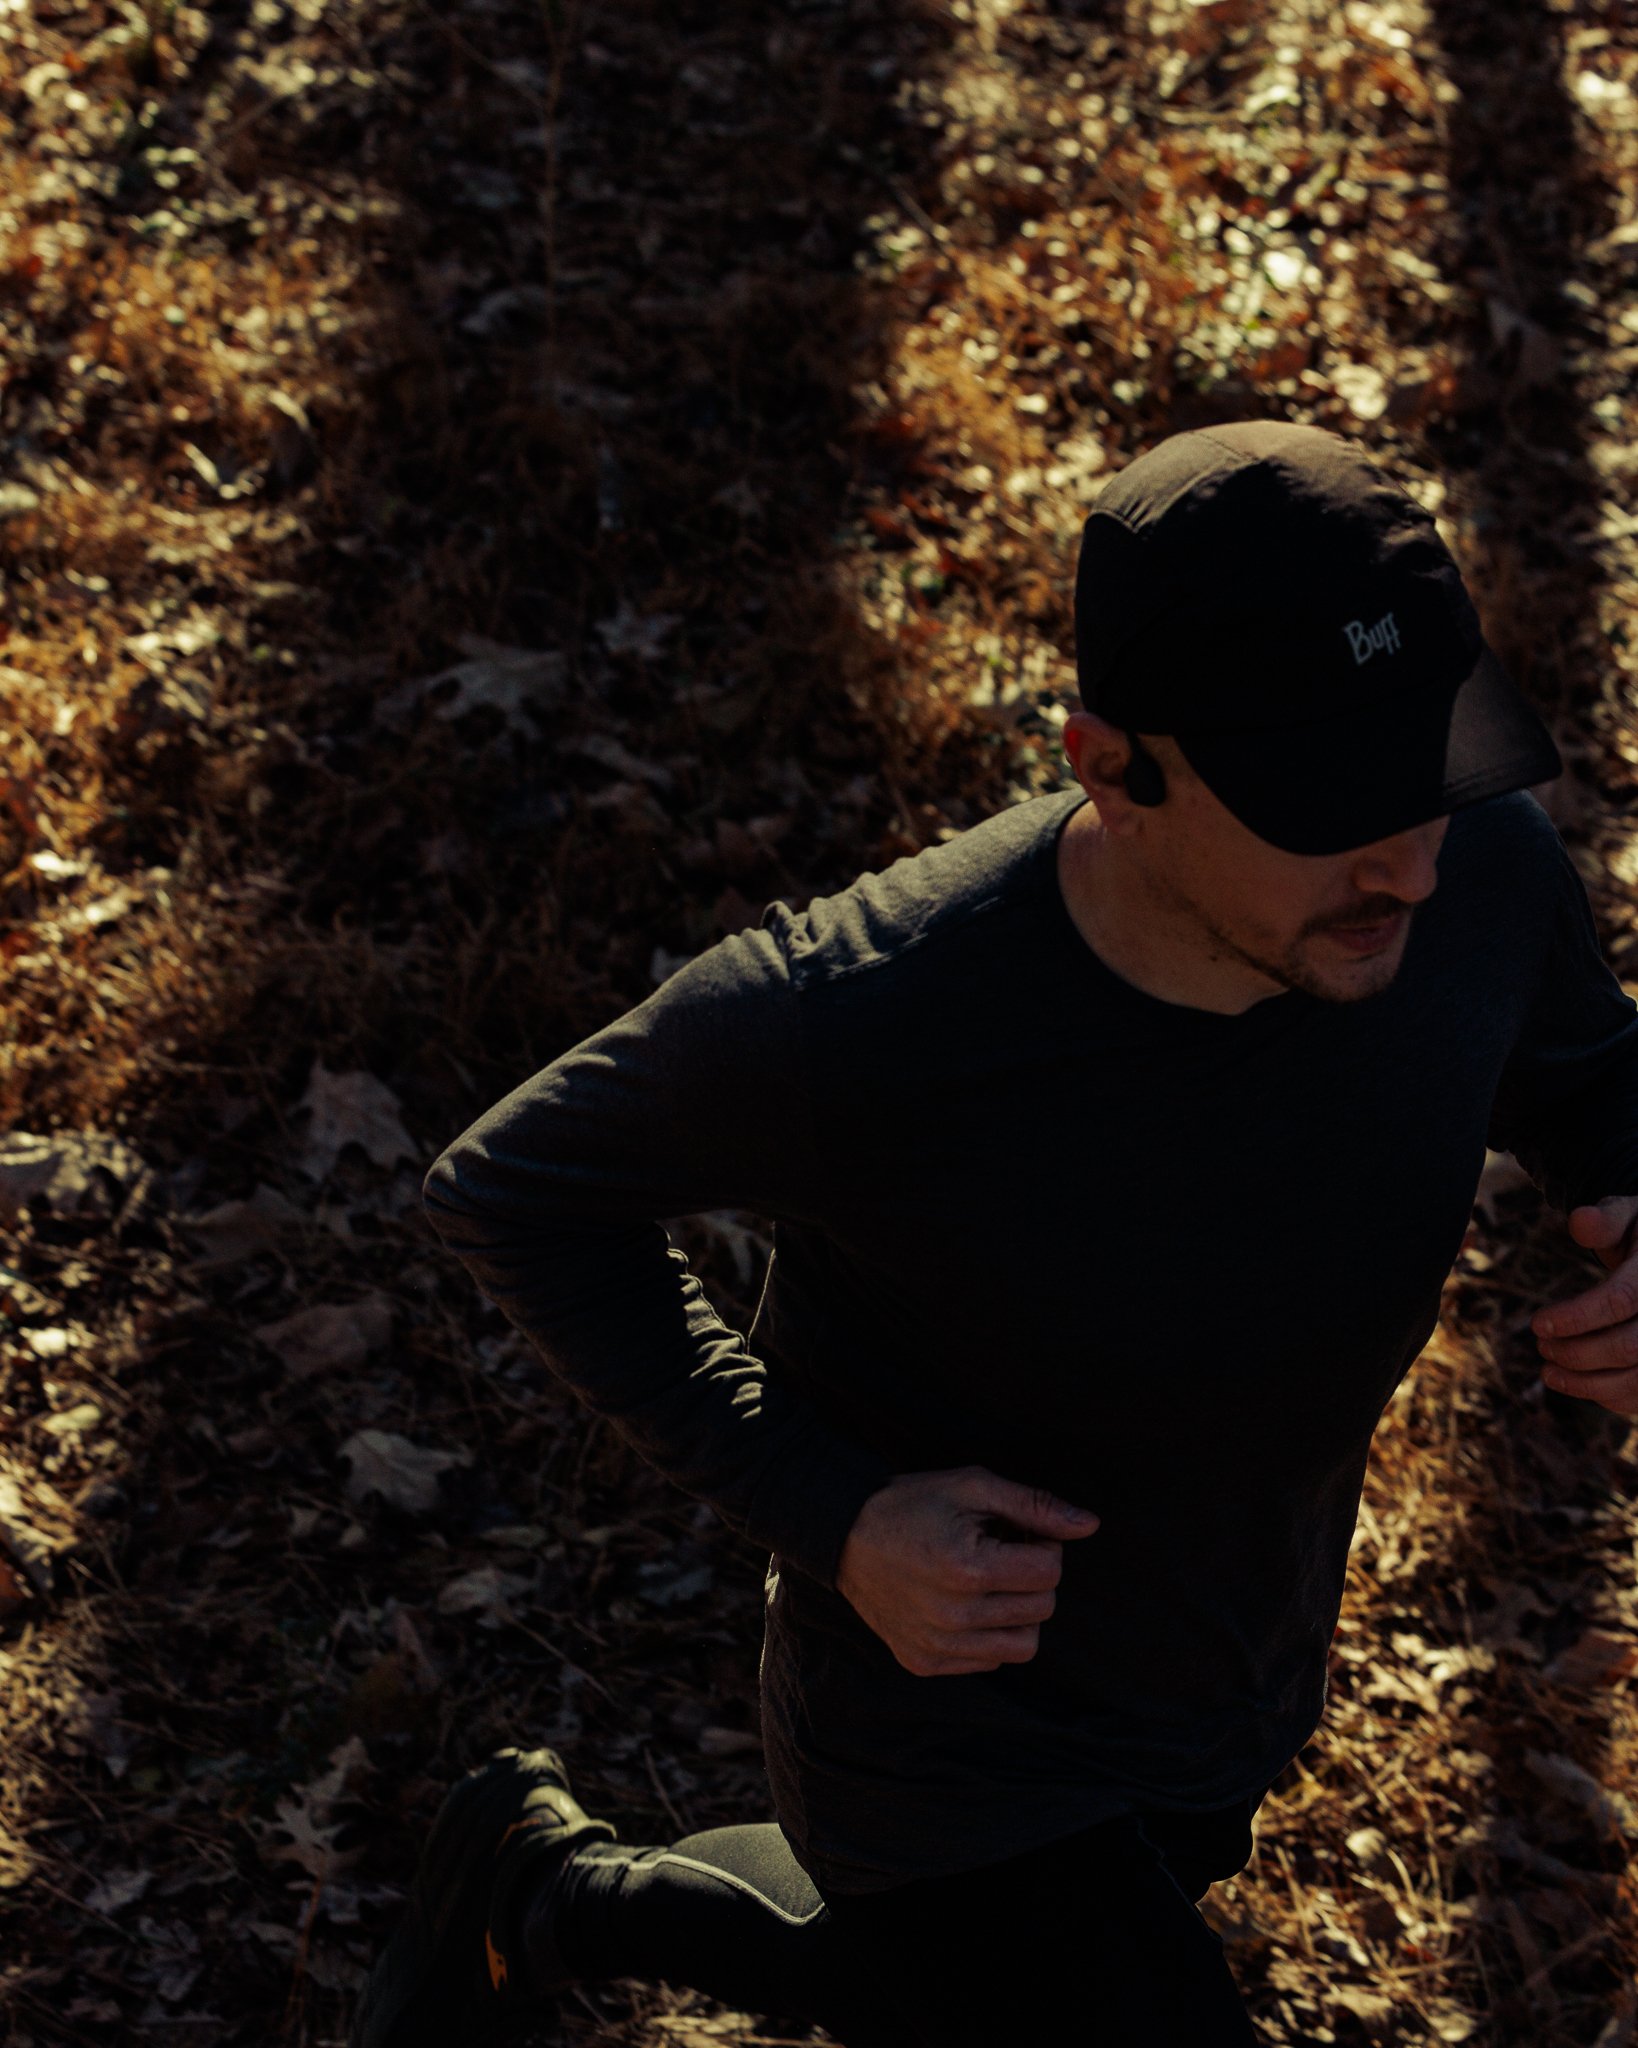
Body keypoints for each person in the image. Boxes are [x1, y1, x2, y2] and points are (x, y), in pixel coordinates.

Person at [352, 421, 1638, 2048]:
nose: (1407, 856)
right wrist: (835, 1513)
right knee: (1013, 1969)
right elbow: (512, 1194)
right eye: (1327, 801)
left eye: (1430, 764)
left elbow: (1598, 1081)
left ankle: (540, 1893)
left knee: (940, 1993)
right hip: (941, 1743)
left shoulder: (1472, 882)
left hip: (1219, 1677)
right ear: (1111, 766)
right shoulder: (871, 1013)